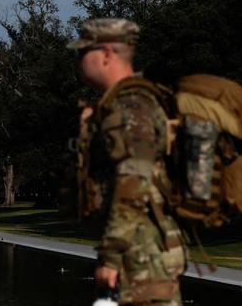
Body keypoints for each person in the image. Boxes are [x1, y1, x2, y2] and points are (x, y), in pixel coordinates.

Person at [70, 18, 186, 306]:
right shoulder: (121, 105)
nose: (79, 60)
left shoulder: (130, 108)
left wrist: (112, 254)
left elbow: (132, 182)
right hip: (136, 253)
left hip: (141, 256)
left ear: (107, 53)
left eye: (84, 52)